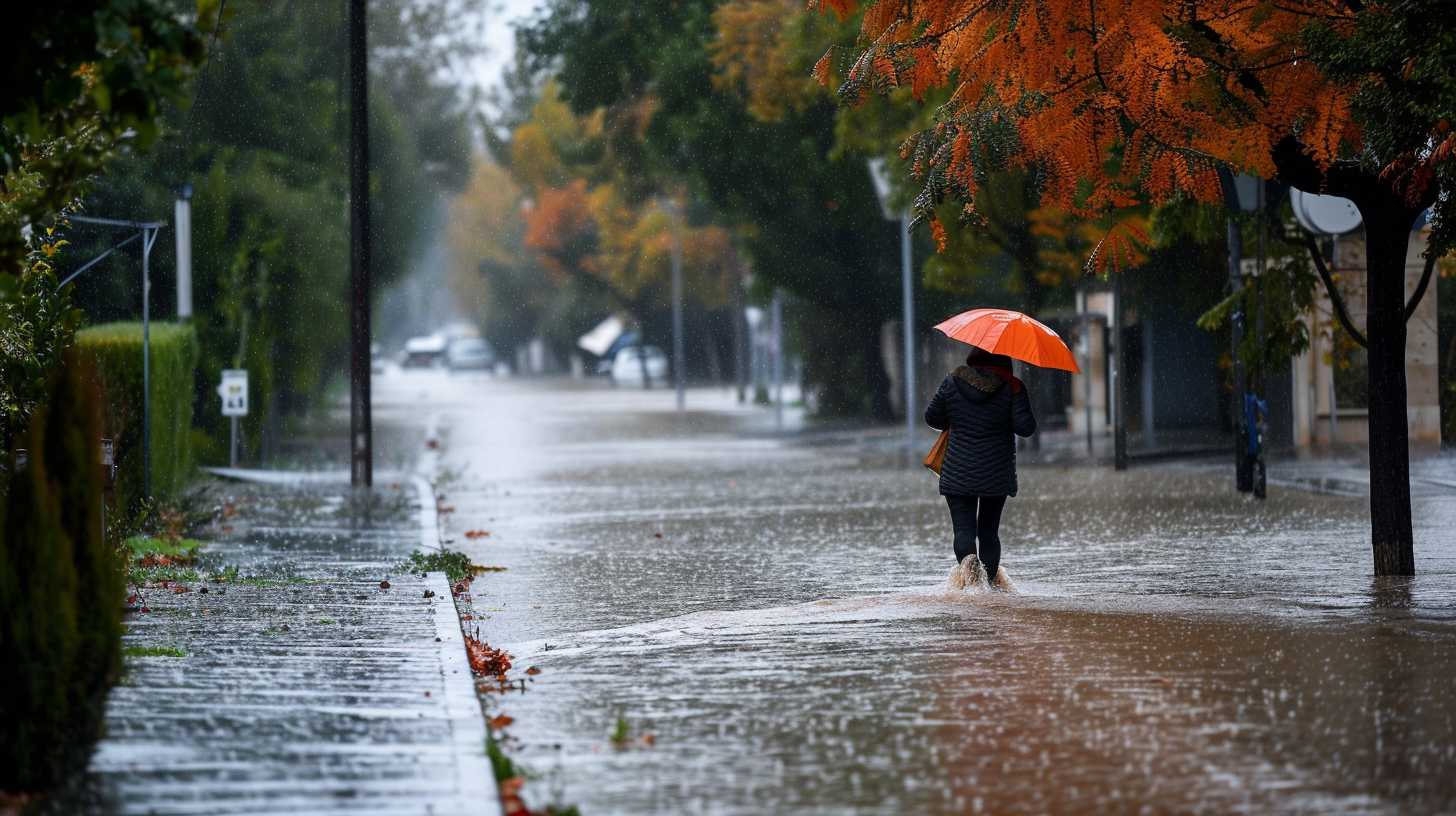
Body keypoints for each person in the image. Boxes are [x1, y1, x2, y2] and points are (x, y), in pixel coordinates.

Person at [924, 346, 1037, 590]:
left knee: (963, 530)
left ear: (973, 360)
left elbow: (932, 417)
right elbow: (1025, 427)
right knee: (989, 533)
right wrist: (1017, 395)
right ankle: (990, 591)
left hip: (957, 471)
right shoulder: (1011, 387)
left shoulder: (952, 382)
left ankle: (971, 580)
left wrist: (957, 416)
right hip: (995, 473)